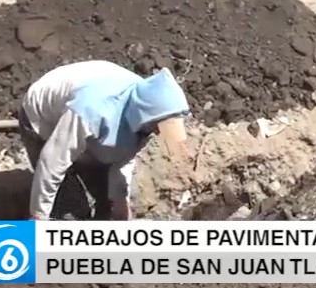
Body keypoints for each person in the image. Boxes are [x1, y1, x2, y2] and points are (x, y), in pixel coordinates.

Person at [17, 60, 194, 221]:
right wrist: (38, 216)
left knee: (107, 203)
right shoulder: (91, 111)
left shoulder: (145, 118)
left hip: (83, 128)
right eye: (157, 126)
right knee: (71, 213)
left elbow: (124, 160)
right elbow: (53, 161)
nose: (157, 132)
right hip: (42, 121)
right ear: (145, 116)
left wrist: (120, 203)